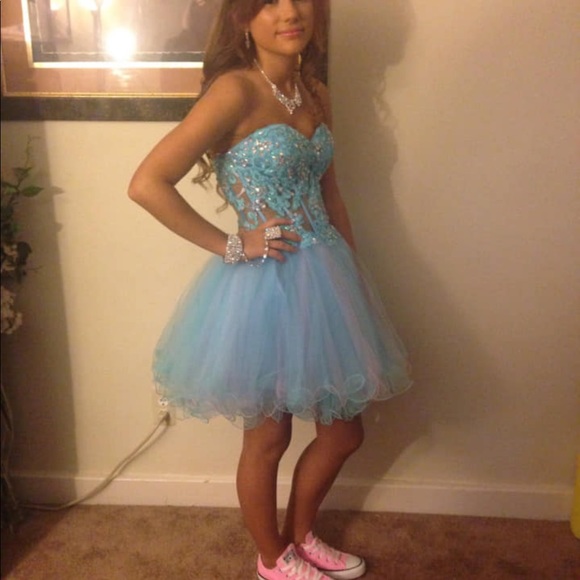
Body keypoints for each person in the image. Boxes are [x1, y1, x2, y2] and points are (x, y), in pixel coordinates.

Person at [128, 1, 411, 578]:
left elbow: (331, 194)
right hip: (266, 285)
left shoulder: (315, 91)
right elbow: (146, 183)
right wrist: (232, 244)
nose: (290, 11)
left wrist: (353, 276)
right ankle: (272, 558)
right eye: (268, 1)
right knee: (268, 436)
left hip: (327, 279)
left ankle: (301, 535)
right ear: (242, 18)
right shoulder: (234, 90)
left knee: (344, 432)